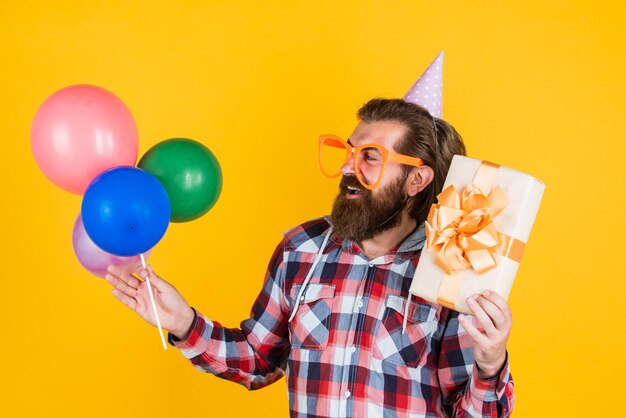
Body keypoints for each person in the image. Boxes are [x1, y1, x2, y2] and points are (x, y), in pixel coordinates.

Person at [106, 98, 515, 417]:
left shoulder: (450, 266)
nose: (346, 167)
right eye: (349, 152)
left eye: (369, 156)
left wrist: (491, 361)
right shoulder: (301, 248)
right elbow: (258, 360)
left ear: (416, 179)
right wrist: (184, 324)